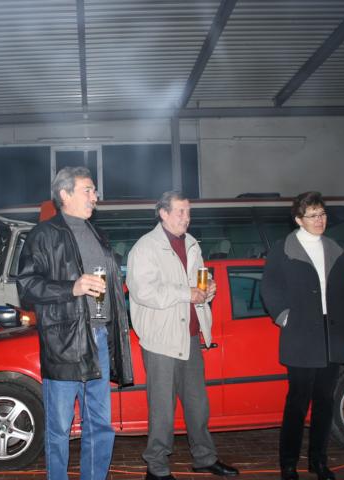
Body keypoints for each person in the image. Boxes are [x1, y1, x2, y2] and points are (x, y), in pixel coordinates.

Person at [17, 166, 133, 480]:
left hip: (99, 339)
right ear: (65, 194)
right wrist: (72, 287)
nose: (95, 196)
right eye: (88, 190)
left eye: (94, 191)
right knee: (59, 428)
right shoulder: (43, 234)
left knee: (100, 425)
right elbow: (26, 287)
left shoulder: (97, 234)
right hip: (64, 343)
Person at [126, 190, 239, 479]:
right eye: (180, 212)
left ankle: (204, 458)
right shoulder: (145, 247)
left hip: (190, 337)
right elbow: (143, 292)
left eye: (188, 212)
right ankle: (156, 467)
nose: (186, 218)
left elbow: (199, 279)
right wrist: (186, 293)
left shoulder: (191, 243)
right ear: (163, 213)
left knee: (198, 405)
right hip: (162, 340)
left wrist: (208, 288)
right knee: (162, 409)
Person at [260, 191, 344, 480]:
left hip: (332, 335)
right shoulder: (283, 249)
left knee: (325, 403)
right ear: (298, 219)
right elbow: (269, 287)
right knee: (297, 403)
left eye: (323, 214)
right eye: (313, 215)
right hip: (301, 335)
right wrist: (284, 317)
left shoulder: (334, 249)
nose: (320, 220)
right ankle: (288, 464)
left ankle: (318, 461)